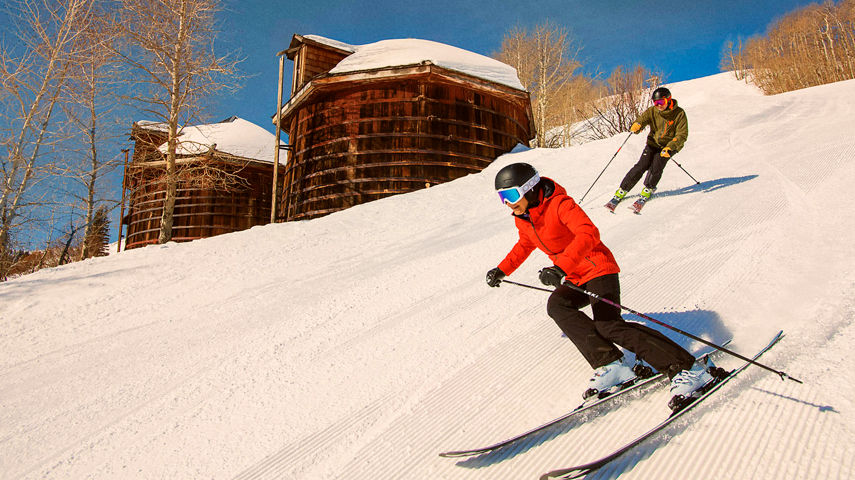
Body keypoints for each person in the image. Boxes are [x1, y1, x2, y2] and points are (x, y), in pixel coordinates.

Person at [486, 162, 714, 408]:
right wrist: (502, 270)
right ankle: (610, 363)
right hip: (575, 275)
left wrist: (560, 267)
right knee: (558, 306)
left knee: (609, 326)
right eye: (502, 197)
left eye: (511, 195)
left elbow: (588, 233)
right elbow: (525, 244)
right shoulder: (525, 217)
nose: (508, 203)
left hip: (597, 267)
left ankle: (687, 368)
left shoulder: (561, 204)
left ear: (530, 189)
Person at [605, 86, 688, 212]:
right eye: (656, 102)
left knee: (656, 166)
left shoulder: (679, 114)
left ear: (669, 100)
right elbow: (642, 119)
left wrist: (670, 147)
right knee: (641, 166)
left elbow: (682, 134)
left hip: (669, 146)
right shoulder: (652, 111)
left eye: (661, 102)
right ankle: (622, 190)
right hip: (653, 143)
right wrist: (637, 125)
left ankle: (648, 189)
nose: (658, 105)